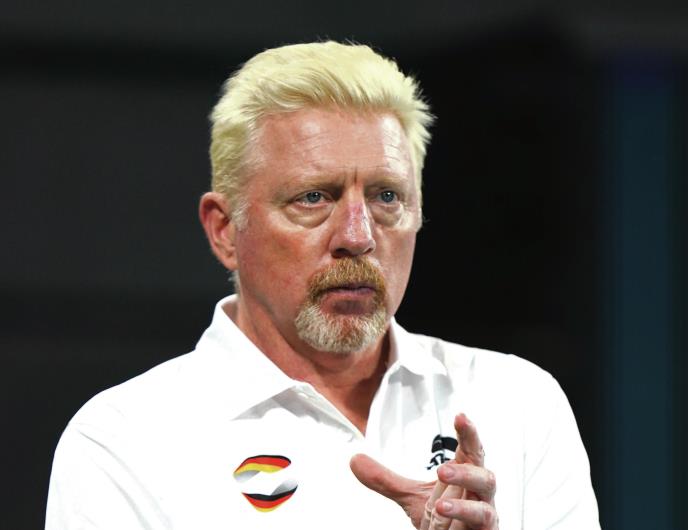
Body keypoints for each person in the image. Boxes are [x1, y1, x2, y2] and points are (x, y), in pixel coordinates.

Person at [46, 41, 600, 530]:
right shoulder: (126, 441)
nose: (357, 236)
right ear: (225, 230)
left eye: (386, 197)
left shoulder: (517, 404)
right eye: (313, 198)